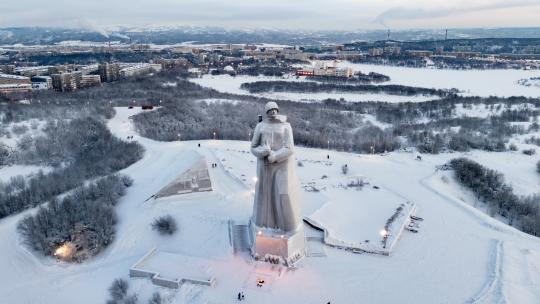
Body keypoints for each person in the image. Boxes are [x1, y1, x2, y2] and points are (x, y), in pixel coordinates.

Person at [250, 102, 302, 232]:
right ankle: (264, 226)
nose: (273, 112)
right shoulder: (260, 126)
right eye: (270, 110)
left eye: (274, 110)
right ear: (266, 112)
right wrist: (263, 152)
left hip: (282, 166)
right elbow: (253, 147)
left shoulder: (286, 126)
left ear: (277, 110)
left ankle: (287, 226)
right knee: (264, 195)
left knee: (282, 194)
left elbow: (290, 148)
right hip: (264, 166)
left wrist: (275, 156)